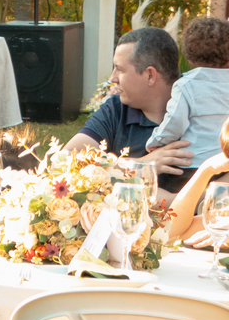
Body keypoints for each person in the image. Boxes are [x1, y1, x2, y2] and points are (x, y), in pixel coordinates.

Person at [67, 26, 191, 194]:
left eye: (120, 69)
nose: (112, 78)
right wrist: (140, 166)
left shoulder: (203, 108)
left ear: (150, 75)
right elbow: (65, 160)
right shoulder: (116, 110)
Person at [146, 17, 229, 168]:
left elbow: (175, 121)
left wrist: (156, 141)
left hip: (193, 164)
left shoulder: (186, 85)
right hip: (225, 162)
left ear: (190, 55)